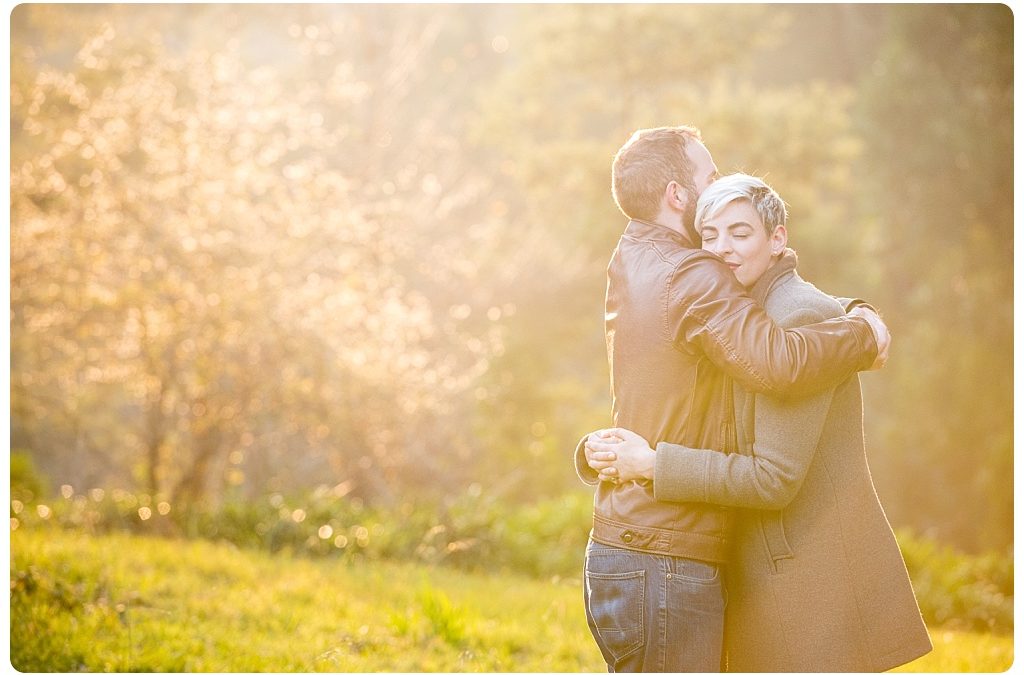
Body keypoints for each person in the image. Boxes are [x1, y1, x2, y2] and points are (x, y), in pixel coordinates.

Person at [585, 173, 932, 672]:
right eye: (710, 235)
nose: (722, 249)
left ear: (777, 238)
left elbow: (773, 478)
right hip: (765, 570)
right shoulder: (741, 312)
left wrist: (653, 463)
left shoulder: (793, 317)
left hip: (808, 581)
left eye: (740, 233)